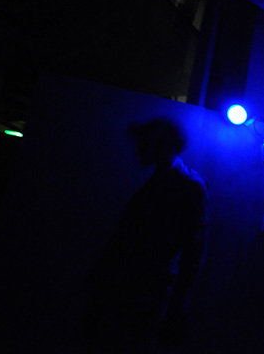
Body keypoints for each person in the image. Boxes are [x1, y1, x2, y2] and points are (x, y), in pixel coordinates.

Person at [83, 118, 209, 353]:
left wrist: (180, 303)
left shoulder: (187, 185)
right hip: (132, 288)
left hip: (146, 291)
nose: (139, 148)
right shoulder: (165, 181)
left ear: (163, 144)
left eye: (145, 142)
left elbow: (195, 249)